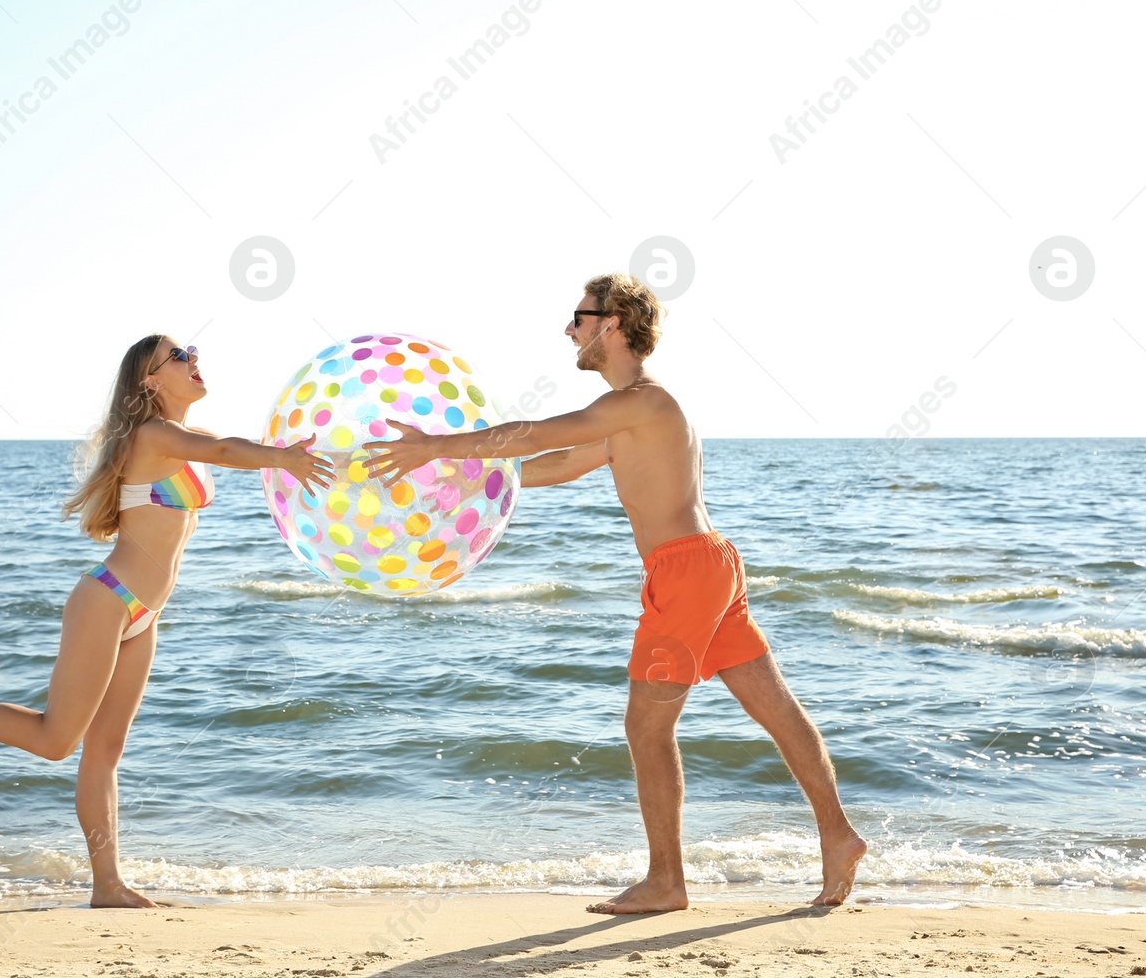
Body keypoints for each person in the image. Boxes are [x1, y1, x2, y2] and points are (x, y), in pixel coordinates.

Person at [367, 274, 867, 913]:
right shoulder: (628, 414)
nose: (568, 330)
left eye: (578, 316)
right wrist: (467, 481)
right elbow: (552, 465)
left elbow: (534, 434)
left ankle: (666, 882)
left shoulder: (645, 402)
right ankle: (838, 836)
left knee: (646, 728)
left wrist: (437, 446)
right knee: (774, 708)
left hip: (687, 571)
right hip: (702, 566)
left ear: (614, 322)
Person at [0, 334, 333, 907]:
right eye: (179, 357)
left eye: (192, 352)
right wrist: (282, 459)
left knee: (105, 753)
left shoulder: (186, 437)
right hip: (107, 600)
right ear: (150, 381)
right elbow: (224, 455)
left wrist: (294, 453)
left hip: (144, 615)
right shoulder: (152, 435)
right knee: (55, 741)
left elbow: (231, 448)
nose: (194, 362)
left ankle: (108, 886)